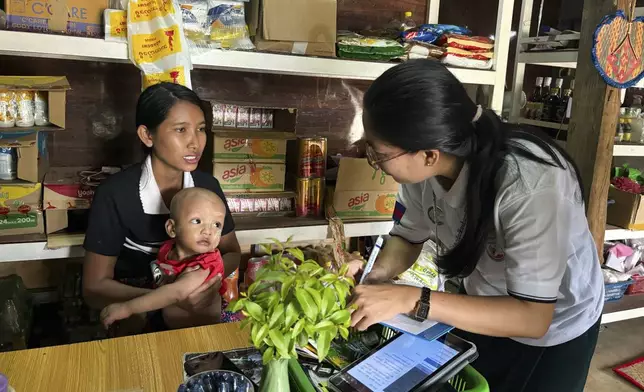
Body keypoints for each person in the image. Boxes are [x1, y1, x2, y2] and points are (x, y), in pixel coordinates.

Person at [347, 60, 604, 392]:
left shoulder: (530, 187)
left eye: (379, 155)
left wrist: (413, 299)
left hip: (554, 326)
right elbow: (408, 237)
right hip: (484, 300)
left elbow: (533, 317)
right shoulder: (422, 170)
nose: (376, 163)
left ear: (428, 154)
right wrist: (376, 276)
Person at [83, 82, 241, 333]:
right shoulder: (116, 194)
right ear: (147, 135)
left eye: (201, 130)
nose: (195, 143)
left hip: (199, 311)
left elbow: (232, 252)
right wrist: (167, 297)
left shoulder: (207, 186)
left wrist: (208, 281)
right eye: (181, 130)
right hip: (136, 316)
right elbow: (93, 288)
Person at [100, 188, 228, 329]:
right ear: (172, 229)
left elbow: (176, 292)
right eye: (197, 221)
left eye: (217, 224)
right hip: (169, 327)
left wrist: (127, 308)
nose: (208, 231)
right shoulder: (167, 250)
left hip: (200, 332)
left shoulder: (205, 264)